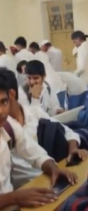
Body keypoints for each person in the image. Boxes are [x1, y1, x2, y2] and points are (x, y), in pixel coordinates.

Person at [0, 73, 78, 209]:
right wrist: (14, 197)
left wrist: (54, 169)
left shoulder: (8, 126)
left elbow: (36, 155)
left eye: (3, 102)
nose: (1, 111)